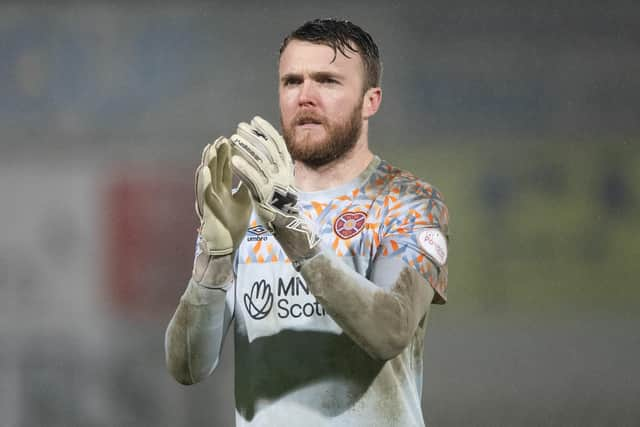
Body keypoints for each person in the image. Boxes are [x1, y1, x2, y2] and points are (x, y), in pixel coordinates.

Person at [165, 18, 449, 427]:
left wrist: (295, 235)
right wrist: (213, 263)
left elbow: (390, 331)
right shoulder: (243, 211)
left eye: (328, 81)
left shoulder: (407, 201)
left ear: (371, 100)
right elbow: (188, 368)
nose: (305, 97)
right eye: (292, 82)